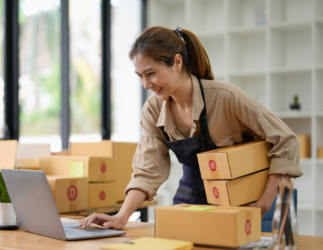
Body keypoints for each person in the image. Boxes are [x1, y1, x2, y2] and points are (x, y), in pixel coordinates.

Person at [79, 26, 303, 229]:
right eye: (140, 76)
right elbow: (148, 170)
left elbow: (287, 140)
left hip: (245, 202)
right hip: (191, 200)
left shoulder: (225, 97)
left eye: (151, 73)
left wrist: (263, 203)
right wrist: (122, 216)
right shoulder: (153, 109)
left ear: (177, 62)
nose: (146, 84)